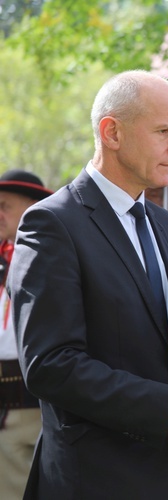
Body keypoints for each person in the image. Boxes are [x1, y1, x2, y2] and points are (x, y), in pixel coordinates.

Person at [7, 70, 168, 500]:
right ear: (111, 132)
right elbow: (50, 364)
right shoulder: (51, 223)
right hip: (95, 481)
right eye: (164, 131)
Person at [0, 170, 52, 500]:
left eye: (4, 205)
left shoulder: (52, 255)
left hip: (44, 405)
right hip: (6, 409)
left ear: (32, 207)